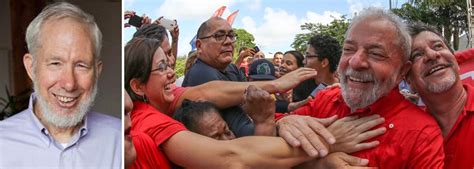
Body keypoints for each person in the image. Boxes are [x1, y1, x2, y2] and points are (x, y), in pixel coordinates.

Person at [125, 37, 385, 168]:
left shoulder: (169, 98)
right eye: (162, 66)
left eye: (170, 62)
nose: (172, 71)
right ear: (138, 86)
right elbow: (232, 157)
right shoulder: (147, 120)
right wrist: (325, 143)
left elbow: (209, 90)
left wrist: (275, 93)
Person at [276, 8, 444, 168]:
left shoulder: (421, 135)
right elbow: (263, 152)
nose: (355, 62)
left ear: (403, 71)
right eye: (349, 49)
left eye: (376, 54)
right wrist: (282, 123)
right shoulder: (326, 98)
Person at [0, 2, 121, 168]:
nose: (69, 84)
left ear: (97, 71)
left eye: (81, 65)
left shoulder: (120, 139)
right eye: (56, 63)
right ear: (31, 67)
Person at [406, 22, 474, 169]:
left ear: (455, 60)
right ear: (409, 81)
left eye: (438, 46)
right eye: (417, 55)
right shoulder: (408, 134)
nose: (431, 55)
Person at [182, 17, 253, 136]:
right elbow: (244, 130)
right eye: (219, 36)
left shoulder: (232, 69)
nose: (228, 41)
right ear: (199, 46)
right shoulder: (202, 73)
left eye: (231, 35)